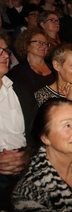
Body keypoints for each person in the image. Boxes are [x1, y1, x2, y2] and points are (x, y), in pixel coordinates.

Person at [0, 35, 37, 187]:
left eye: (5, 50)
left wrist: (27, 156)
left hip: (26, 163)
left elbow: (36, 133)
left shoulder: (21, 92)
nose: (5, 55)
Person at [8, 27, 55, 94]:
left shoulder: (54, 67)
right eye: (39, 42)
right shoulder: (18, 71)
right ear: (26, 45)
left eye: (46, 43)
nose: (44, 46)